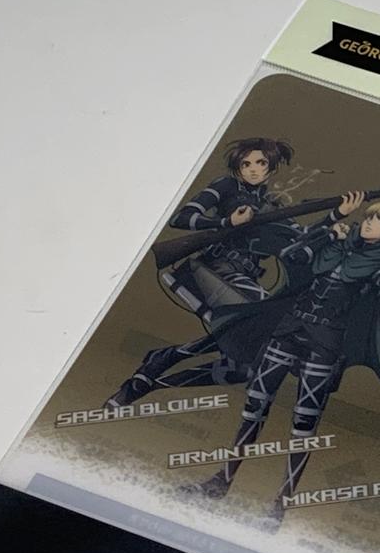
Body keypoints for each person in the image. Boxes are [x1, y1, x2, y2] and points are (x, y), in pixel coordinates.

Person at [187, 195, 380, 523]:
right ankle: (220, 481)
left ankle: (279, 507)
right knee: (254, 408)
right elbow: (296, 253)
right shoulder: (340, 241)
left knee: (303, 425)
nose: (371, 223)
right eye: (370, 217)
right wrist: (331, 222)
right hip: (290, 329)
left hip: (325, 343)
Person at [105, 138, 358, 408]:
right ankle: (160, 364)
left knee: (245, 366)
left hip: (242, 280)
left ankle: (158, 376)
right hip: (214, 270)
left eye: (260, 163)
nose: (253, 169)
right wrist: (227, 221)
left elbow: (299, 236)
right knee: (269, 319)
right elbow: (182, 217)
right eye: (246, 164)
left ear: (270, 167)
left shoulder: (271, 205)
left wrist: (335, 218)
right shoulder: (226, 186)